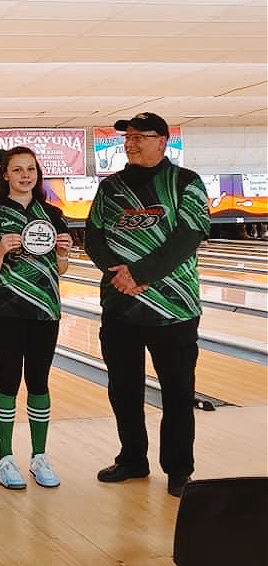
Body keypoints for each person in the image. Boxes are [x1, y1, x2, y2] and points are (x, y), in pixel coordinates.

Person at [86, 112, 210, 497]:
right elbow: (93, 236)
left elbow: (189, 235)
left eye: (141, 136)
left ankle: (178, 469)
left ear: (163, 141)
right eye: (128, 136)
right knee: (123, 389)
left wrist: (140, 274)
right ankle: (132, 459)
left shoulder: (185, 183)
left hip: (174, 308)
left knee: (177, 391)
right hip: (121, 305)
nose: (131, 142)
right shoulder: (111, 188)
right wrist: (116, 272)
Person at [0, 146, 72, 490]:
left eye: (30, 169)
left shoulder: (52, 214)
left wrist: (65, 252)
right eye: (17, 170)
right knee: (7, 381)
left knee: (39, 381)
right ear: (5, 176)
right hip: (8, 311)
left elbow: (60, 268)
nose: (25, 175)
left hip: (46, 310)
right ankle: (5, 458)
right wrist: (0, 249)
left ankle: (39, 456)